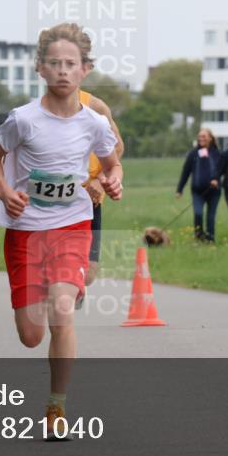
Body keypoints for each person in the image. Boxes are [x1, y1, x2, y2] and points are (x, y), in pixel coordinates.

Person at [0, 22, 122, 435]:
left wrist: (114, 179)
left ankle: (56, 408)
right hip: (25, 230)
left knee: (63, 312)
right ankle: (55, 289)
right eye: (55, 63)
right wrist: (6, 190)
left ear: (85, 70)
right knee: (30, 334)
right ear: (40, 68)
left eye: (71, 64)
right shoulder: (22, 120)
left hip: (72, 224)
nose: (63, 71)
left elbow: (112, 161)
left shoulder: (94, 123)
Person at [78, 66, 125, 303]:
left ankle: (74, 284)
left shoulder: (94, 106)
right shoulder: (37, 111)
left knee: (89, 274)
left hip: (91, 197)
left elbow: (118, 147)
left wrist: (99, 179)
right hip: (54, 202)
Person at [176, 128, 222, 242]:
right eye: (200, 136)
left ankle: (210, 239)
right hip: (197, 192)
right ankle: (199, 237)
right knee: (198, 213)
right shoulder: (193, 154)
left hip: (214, 191)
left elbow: (221, 169)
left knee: (210, 217)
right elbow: (185, 172)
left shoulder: (217, 154)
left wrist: (216, 179)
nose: (201, 139)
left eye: (204, 136)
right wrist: (179, 189)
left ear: (210, 138)